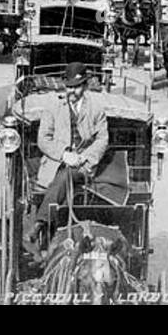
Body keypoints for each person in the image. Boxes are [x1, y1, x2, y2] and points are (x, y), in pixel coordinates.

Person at [29, 62, 110, 246]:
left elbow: (102, 139)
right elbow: (43, 138)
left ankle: (40, 222)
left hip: (83, 165)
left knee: (66, 176)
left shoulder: (96, 108)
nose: (72, 91)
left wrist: (83, 158)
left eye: (76, 87)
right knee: (62, 175)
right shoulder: (53, 106)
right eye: (69, 87)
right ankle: (50, 229)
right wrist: (64, 155)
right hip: (57, 162)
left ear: (86, 86)